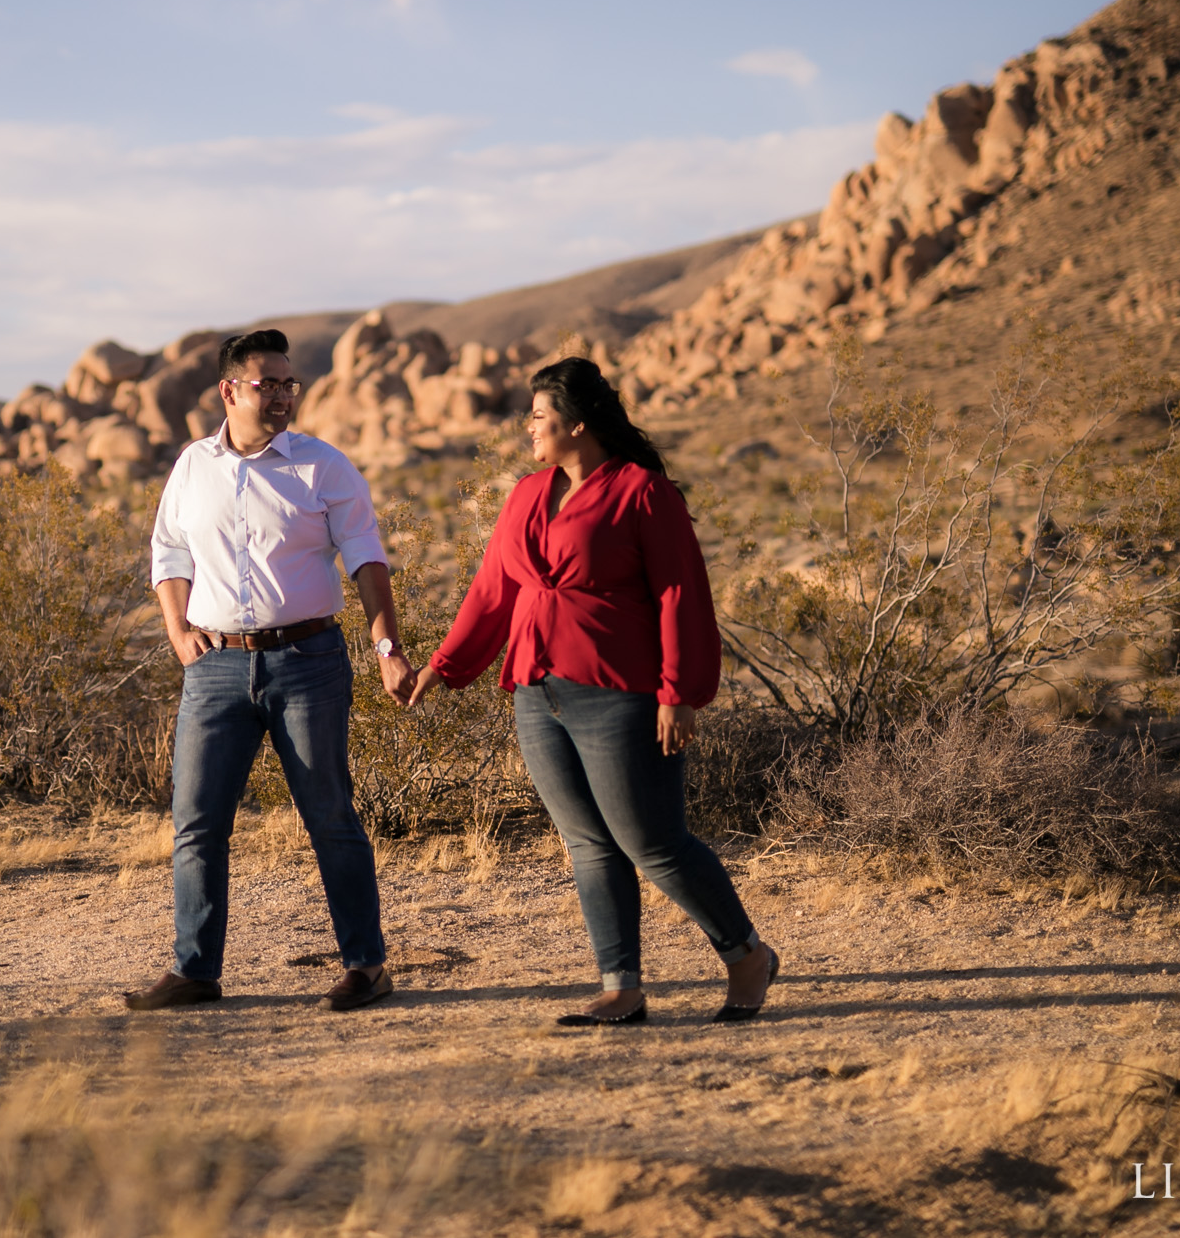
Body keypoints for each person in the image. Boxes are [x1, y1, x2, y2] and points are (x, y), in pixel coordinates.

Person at [408, 357, 778, 1025]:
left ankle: (746, 953)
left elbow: (680, 594)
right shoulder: (526, 494)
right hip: (535, 687)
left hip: (622, 692)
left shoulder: (642, 492)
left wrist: (679, 691)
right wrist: (446, 663)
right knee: (587, 841)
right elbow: (494, 587)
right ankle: (622, 984)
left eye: (540, 417)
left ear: (578, 423)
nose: (530, 429)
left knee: (654, 841)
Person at [128, 328, 415, 1014]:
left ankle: (366, 965)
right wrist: (176, 627)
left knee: (329, 816)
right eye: (269, 383)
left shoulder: (324, 466)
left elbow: (367, 558)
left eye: (291, 383)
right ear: (230, 391)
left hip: (306, 660)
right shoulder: (193, 466)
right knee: (197, 822)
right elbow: (168, 549)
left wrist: (387, 647)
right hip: (215, 667)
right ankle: (195, 969)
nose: (284, 395)